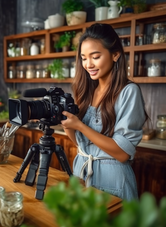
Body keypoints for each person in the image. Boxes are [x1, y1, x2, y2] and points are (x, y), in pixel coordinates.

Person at [61, 23, 148, 201]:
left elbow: (122, 153)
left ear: (115, 55)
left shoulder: (128, 91)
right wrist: (68, 124)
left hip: (113, 180)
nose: (88, 64)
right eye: (84, 58)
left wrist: (81, 126)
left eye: (95, 56)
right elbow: (81, 142)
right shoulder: (87, 90)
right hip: (82, 173)